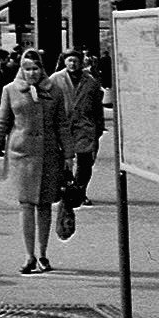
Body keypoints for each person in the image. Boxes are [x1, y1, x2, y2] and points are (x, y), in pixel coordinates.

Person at [0, 48, 73, 274]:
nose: (32, 73)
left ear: (42, 69)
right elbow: (2, 121)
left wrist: (68, 154)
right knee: (26, 205)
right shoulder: (10, 91)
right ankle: (29, 255)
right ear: (21, 69)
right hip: (21, 156)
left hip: (48, 156)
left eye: (35, 68)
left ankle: (43, 254)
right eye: (27, 68)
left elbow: (62, 124)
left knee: (45, 205)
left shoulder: (54, 91)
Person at [48, 49, 105, 206]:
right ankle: (64, 190)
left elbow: (97, 107)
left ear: (81, 62)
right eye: (69, 60)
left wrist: (99, 127)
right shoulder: (55, 79)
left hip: (85, 127)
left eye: (75, 61)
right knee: (63, 161)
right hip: (63, 126)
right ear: (64, 61)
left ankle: (80, 192)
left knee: (85, 163)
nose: (72, 64)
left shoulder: (90, 82)